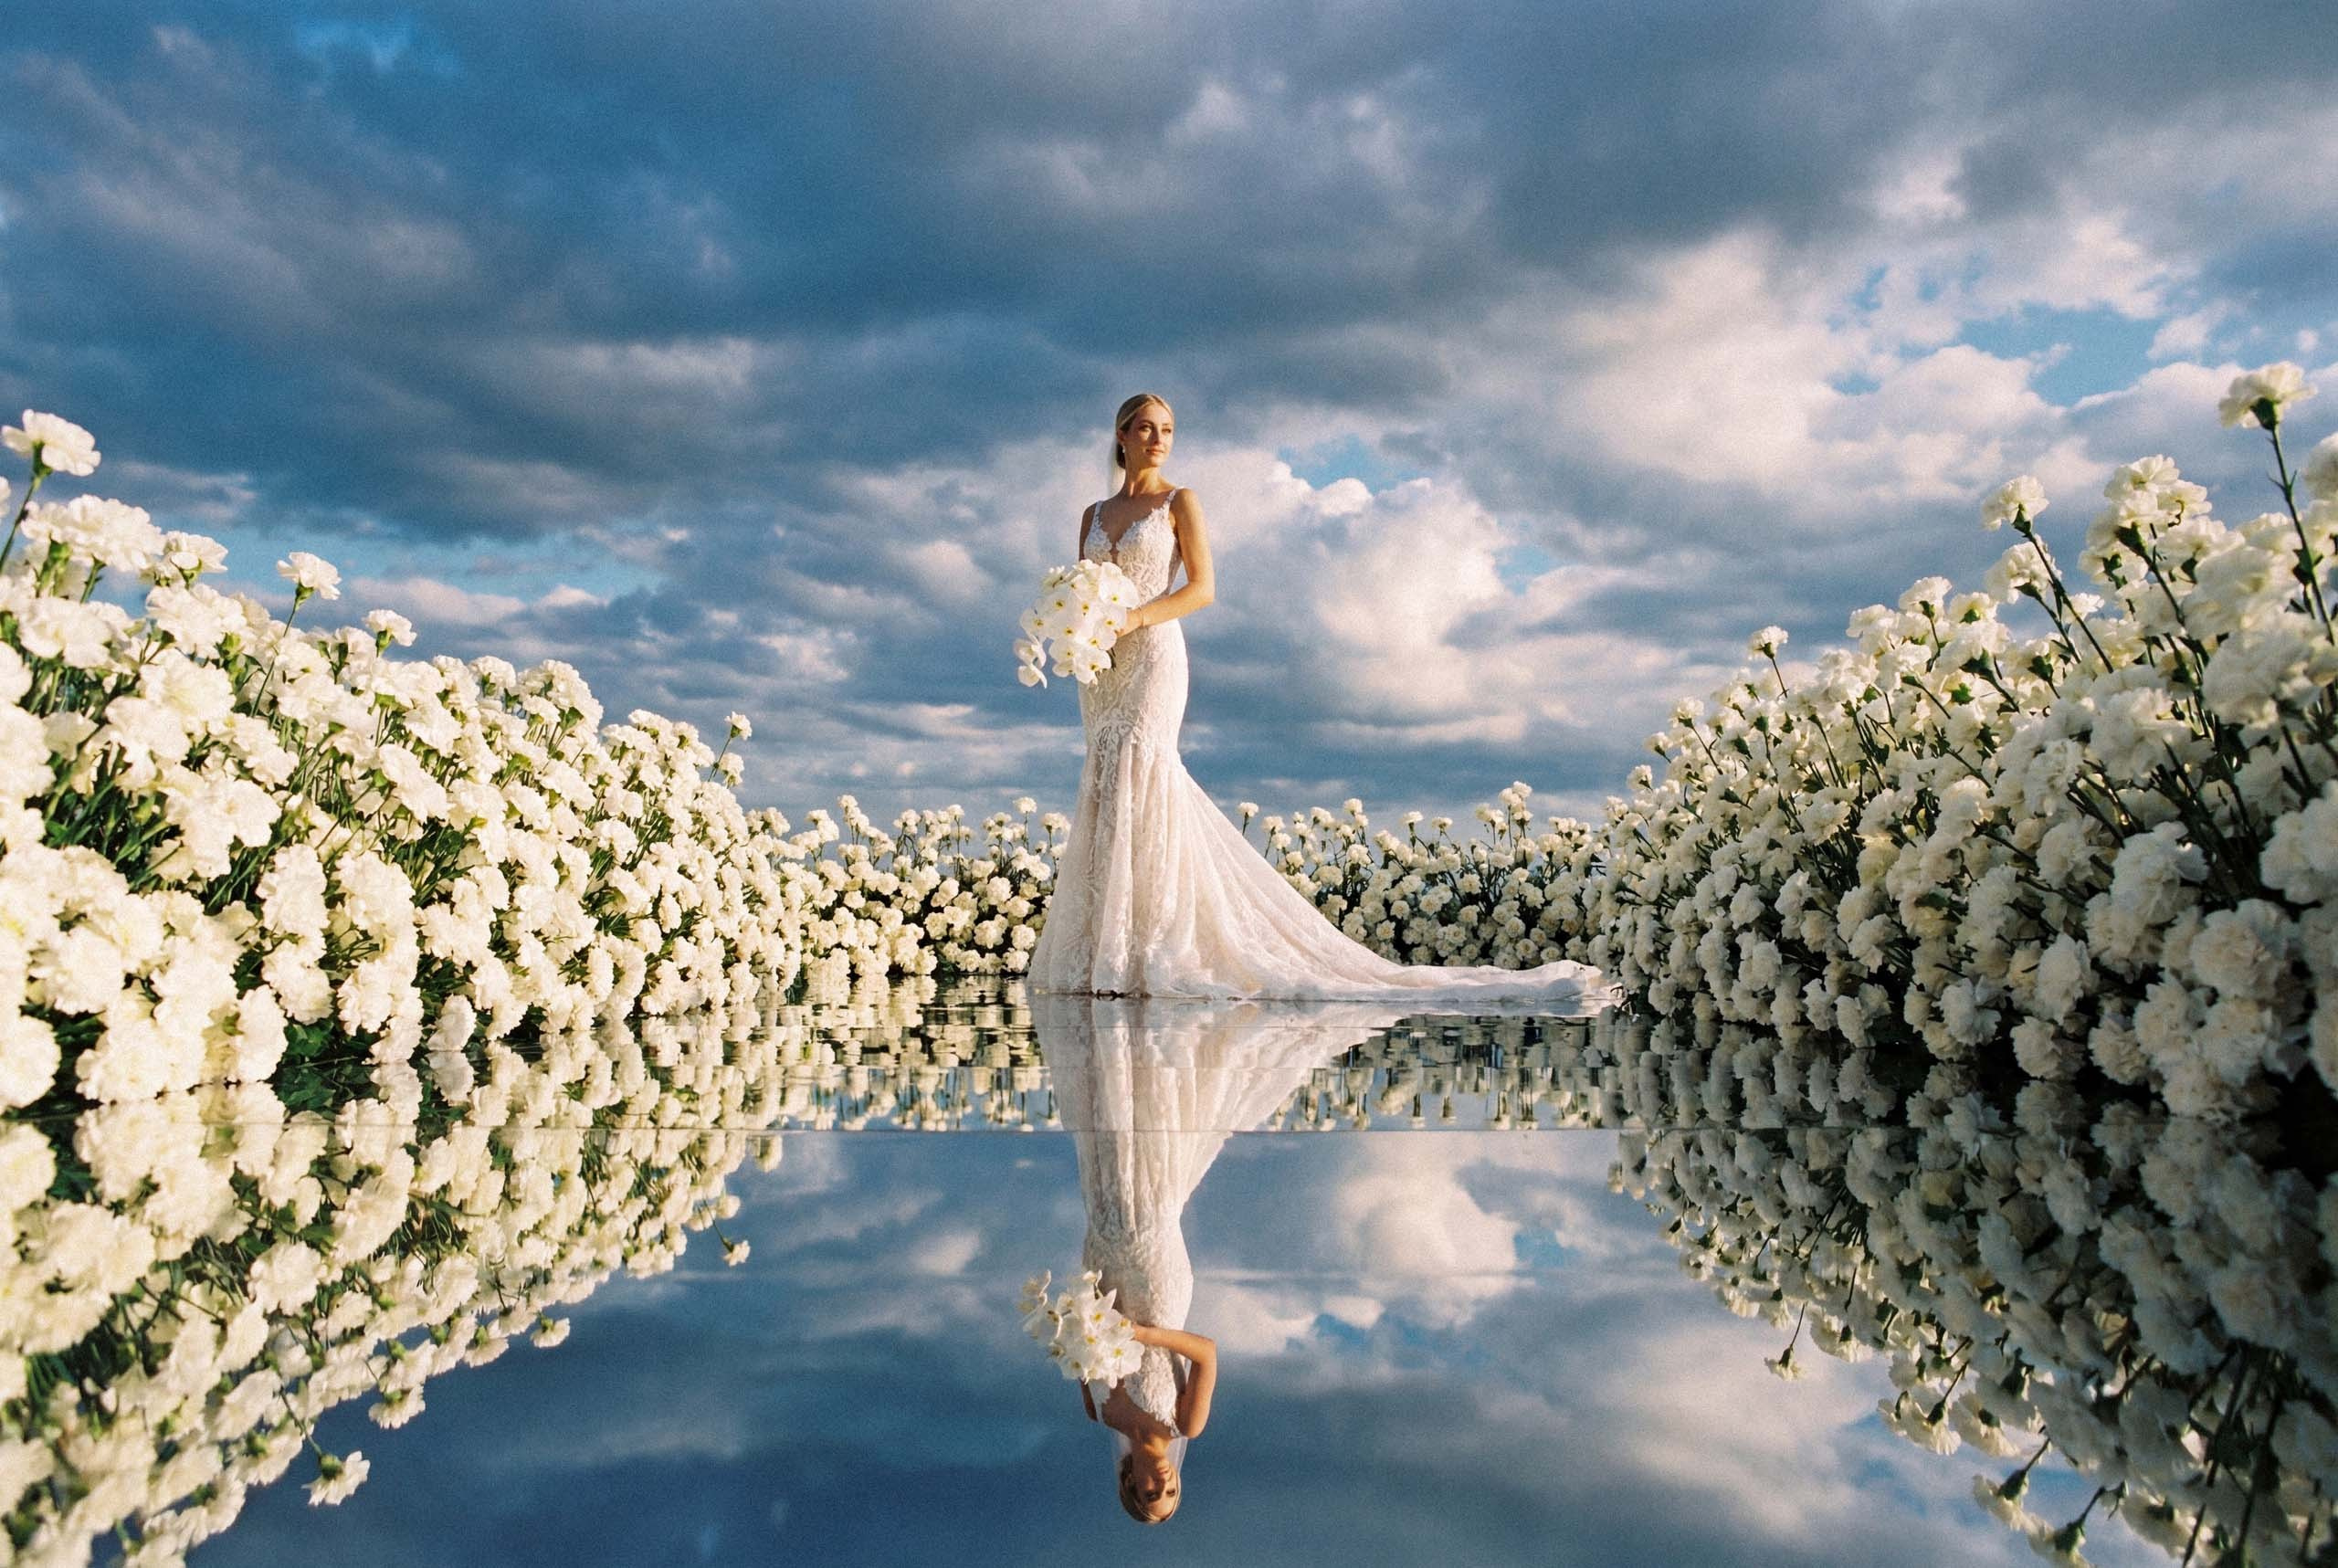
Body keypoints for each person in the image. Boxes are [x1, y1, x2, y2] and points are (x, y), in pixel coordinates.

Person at [1026, 391, 1622, 1004]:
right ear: (1121, 435)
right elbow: (1082, 586)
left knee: (1144, 769)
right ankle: (1103, 947)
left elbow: (1202, 589)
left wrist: (1134, 619)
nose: (1158, 439)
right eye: (1146, 428)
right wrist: (1081, 626)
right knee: (1104, 776)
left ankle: (1148, 947)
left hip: (1152, 655)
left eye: (1168, 430)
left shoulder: (1182, 501)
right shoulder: (1093, 514)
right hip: (1099, 669)